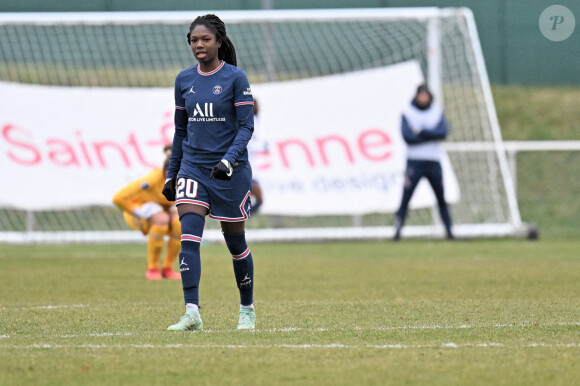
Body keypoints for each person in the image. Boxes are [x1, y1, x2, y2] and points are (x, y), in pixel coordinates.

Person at [162, 14, 256, 331]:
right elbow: (179, 132)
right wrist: (171, 174)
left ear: (218, 41)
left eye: (205, 39)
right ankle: (192, 313)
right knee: (188, 237)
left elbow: (246, 126)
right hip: (193, 168)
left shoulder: (235, 78)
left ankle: (247, 311)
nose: (199, 45)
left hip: (230, 173)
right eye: (193, 40)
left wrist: (229, 160)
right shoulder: (183, 80)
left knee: (235, 243)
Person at [394, 84, 454, 241]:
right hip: (414, 162)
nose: (423, 98)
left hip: (433, 162)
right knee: (406, 197)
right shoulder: (408, 112)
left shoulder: (436, 112)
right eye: (421, 95)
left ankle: (449, 232)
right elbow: (408, 138)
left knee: (441, 197)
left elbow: (443, 132)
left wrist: (422, 132)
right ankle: (397, 232)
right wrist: (430, 134)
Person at [112, 156, 182, 280]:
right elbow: (118, 198)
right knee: (161, 219)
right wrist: (137, 212)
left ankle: (167, 268)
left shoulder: (186, 180)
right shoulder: (152, 179)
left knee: (180, 223)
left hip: (162, 209)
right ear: (165, 171)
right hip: (138, 211)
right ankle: (152, 268)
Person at [247, 98, 268, 213]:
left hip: (249, 166)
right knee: (259, 200)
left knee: (259, 201)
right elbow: (255, 143)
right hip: (247, 167)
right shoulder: (251, 121)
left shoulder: (254, 121)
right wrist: (263, 146)